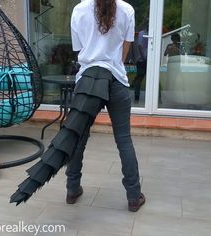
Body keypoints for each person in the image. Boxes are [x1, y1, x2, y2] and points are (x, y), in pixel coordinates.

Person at [10, 0, 145, 213]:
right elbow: (123, 51)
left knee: (77, 137)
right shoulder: (127, 9)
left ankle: (72, 190)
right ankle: (134, 196)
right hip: (116, 80)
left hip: (88, 80)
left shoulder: (79, 10)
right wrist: (110, 64)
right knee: (124, 139)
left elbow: (80, 49)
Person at [132, 26, 148, 103]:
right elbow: (140, 45)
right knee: (140, 77)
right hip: (142, 59)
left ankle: (158, 97)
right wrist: (143, 57)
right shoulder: (142, 33)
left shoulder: (152, 32)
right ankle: (136, 96)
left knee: (154, 79)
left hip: (150, 60)